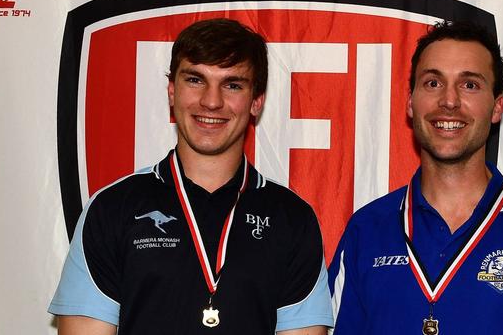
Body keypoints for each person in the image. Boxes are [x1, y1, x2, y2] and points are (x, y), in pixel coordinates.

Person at [49, 18, 333, 335]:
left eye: (232, 84)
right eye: (196, 80)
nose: (211, 101)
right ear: (172, 92)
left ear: (256, 101)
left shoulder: (292, 218)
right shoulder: (112, 209)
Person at [328, 21, 503, 334]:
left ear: (496, 107)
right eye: (433, 83)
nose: (449, 101)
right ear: (410, 102)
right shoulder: (366, 231)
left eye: (470, 85)